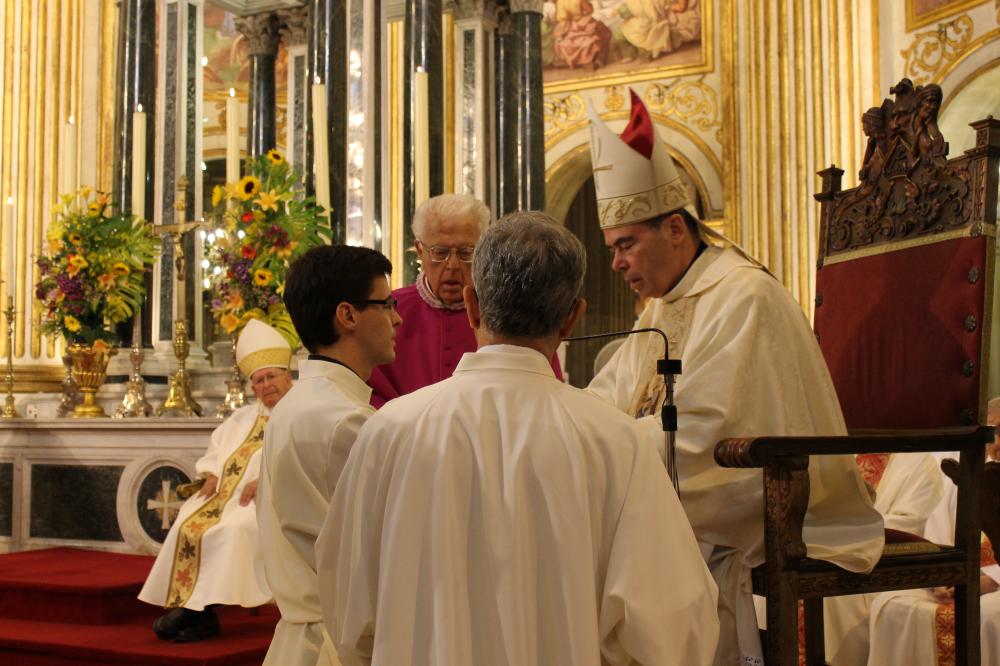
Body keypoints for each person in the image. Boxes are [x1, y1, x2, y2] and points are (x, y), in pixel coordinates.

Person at [316, 212, 720, 666]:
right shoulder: (617, 443)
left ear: (472, 306)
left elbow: (347, 610)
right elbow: (675, 626)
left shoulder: (388, 432)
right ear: (572, 319)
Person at [585, 90, 884, 665]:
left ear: (675, 228)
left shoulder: (743, 296)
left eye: (626, 245)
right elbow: (611, 398)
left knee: (612, 558)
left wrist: (608, 453)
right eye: (613, 248)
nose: (617, 263)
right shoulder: (661, 307)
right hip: (694, 496)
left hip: (773, 503)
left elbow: (708, 438)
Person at [257, 245, 401, 666]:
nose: (397, 317)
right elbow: (378, 557)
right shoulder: (346, 422)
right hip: (341, 647)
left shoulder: (299, 405)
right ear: (348, 315)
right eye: (386, 303)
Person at [138, 318, 293, 642]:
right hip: (225, 496)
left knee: (234, 530)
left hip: (273, 499)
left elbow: (303, 456)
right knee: (187, 523)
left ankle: (194, 614)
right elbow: (216, 448)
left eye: (271, 377)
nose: (265, 386)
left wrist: (268, 481)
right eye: (258, 381)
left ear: (287, 375)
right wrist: (208, 474)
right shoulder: (242, 417)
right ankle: (198, 614)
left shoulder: (301, 411)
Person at [367, 193, 560, 407]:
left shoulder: (511, 309)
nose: (452, 265)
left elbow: (544, 388)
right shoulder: (387, 310)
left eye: (466, 252)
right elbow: (367, 390)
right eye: (439, 252)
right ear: (420, 251)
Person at [865, 398, 1000, 666]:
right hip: (963, 579)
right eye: (992, 432)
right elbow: (939, 536)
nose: (995, 443)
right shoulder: (972, 475)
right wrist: (943, 577)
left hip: (994, 584)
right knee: (891, 606)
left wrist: (992, 579)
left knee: (985, 617)